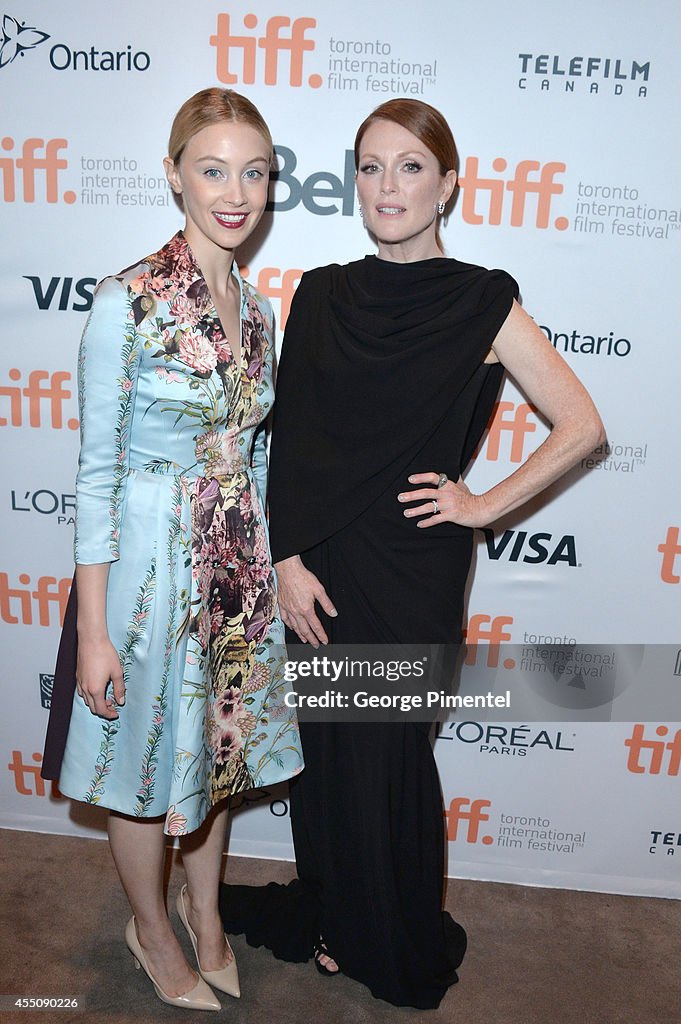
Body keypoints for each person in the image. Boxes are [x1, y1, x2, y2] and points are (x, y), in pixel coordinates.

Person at [220, 99, 605, 1009]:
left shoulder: (482, 300)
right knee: (326, 757)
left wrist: (479, 505)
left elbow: (581, 426)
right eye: (369, 167)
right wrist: (283, 562)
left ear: (448, 185)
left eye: (408, 167)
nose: (386, 186)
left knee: (387, 760)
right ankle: (335, 914)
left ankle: (378, 933)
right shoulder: (318, 291)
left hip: (411, 570)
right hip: (317, 568)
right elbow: (287, 443)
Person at [41, 88, 303, 1012]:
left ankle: (208, 916)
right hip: (149, 573)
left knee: (218, 751)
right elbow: (95, 474)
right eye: (213, 169)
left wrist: (267, 571)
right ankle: (151, 930)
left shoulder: (262, 311)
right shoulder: (130, 301)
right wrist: (95, 629)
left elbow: (260, 457)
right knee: (138, 765)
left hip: (233, 569)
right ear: (173, 175)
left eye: (255, 172)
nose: (235, 192)